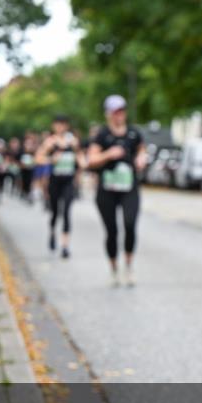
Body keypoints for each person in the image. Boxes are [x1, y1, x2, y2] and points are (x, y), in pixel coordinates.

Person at [86, 95, 147, 287]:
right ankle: (113, 270)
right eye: (115, 112)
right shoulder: (102, 135)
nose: (119, 115)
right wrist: (108, 154)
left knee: (129, 225)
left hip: (129, 188)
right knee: (112, 231)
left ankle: (128, 267)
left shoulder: (133, 133)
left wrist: (141, 159)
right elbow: (91, 160)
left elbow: (142, 150)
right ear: (108, 114)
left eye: (121, 111)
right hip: (107, 190)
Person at [36, 116, 82, 259]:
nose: (60, 127)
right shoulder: (50, 142)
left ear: (66, 126)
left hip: (68, 182)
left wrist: (81, 162)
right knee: (55, 213)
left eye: (63, 124)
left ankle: (65, 246)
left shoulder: (73, 142)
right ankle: (52, 233)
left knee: (67, 212)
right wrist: (51, 159)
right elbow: (38, 158)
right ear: (54, 126)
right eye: (57, 125)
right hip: (54, 182)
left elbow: (80, 157)